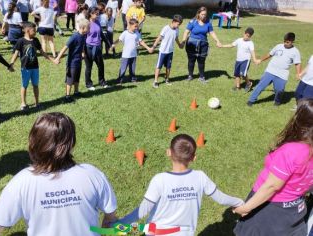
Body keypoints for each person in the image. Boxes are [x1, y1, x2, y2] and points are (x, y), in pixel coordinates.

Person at [0, 112, 118, 236]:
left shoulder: (21, 182)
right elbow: (111, 220)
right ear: (71, 144)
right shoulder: (92, 175)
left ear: (33, 143)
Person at [118, 134, 244, 235]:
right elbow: (221, 199)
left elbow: (143, 210)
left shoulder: (159, 180)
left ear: (168, 152)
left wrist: (118, 225)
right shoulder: (200, 177)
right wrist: (240, 203)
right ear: (194, 158)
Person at [233, 98, 313, 236]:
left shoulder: (292, 151)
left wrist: (246, 207)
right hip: (295, 210)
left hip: (270, 210)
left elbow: (272, 186)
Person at [10, 22, 55, 111]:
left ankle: (37, 103)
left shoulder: (36, 40)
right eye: (34, 30)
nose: (35, 32)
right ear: (27, 31)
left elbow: (42, 52)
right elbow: (16, 53)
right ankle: (23, 103)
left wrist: (52, 60)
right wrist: (11, 64)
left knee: (35, 85)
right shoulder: (21, 41)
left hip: (35, 68)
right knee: (24, 85)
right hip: (25, 68)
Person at [247, 32, 301, 107]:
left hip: (282, 75)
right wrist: (260, 60)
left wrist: (298, 73)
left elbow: (297, 63)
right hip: (270, 71)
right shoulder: (278, 46)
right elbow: (269, 54)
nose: (285, 43)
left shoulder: (295, 52)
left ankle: (277, 101)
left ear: (292, 41)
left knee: (279, 90)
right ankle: (251, 100)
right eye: (284, 41)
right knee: (260, 86)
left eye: (287, 42)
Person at [181, 6, 222, 83]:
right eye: (202, 14)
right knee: (191, 60)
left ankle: (202, 77)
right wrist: (183, 41)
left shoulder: (208, 23)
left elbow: (212, 32)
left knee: (201, 61)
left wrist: (217, 41)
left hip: (203, 44)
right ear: (198, 13)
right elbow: (186, 31)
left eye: (205, 14)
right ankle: (190, 76)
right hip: (192, 44)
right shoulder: (193, 21)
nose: (204, 16)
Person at [55, 19, 90, 103]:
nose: (89, 29)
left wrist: (83, 53)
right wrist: (58, 58)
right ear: (83, 27)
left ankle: (76, 92)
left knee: (77, 77)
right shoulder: (74, 36)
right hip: (72, 62)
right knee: (70, 79)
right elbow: (65, 47)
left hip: (78, 61)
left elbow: (82, 45)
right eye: (88, 28)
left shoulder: (84, 36)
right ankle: (67, 96)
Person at [111, 18, 153, 84]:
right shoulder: (125, 33)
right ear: (130, 25)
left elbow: (141, 41)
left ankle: (132, 79)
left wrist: (148, 48)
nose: (136, 28)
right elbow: (119, 40)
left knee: (132, 68)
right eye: (135, 26)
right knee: (123, 68)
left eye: (137, 26)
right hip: (125, 55)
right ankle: (120, 80)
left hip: (133, 54)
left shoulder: (137, 33)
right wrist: (113, 45)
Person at [221, 27, 260, 92]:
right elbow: (231, 45)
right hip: (238, 60)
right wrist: (222, 46)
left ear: (250, 36)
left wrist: (255, 59)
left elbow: (252, 52)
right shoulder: (239, 40)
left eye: (248, 36)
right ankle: (237, 87)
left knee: (243, 74)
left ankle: (249, 83)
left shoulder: (250, 43)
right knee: (237, 74)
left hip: (245, 60)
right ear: (244, 33)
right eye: (246, 35)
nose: (246, 37)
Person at [151, 14, 183, 88]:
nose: (178, 26)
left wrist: (179, 44)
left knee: (168, 67)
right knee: (159, 66)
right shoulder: (166, 28)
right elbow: (159, 37)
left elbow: (176, 38)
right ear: (173, 21)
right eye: (178, 24)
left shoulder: (177, 30)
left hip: (170, 51)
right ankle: (155, 81)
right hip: (163, 51)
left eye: (179, 24)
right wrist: (153, 46)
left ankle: (167, 79)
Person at [84, 7, 109, 91]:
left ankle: (102, 82)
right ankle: (89, 84)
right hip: (89, 47)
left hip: (98, 47)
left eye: (98, 13)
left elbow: (101, 34)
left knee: (101, 66)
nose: (98, 15)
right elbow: (83, 37)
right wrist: (82, 51)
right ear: (91, 14)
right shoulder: (86, 23)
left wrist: (108, 43)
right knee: (89, 67)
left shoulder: (98, 22)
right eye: (96, 13)